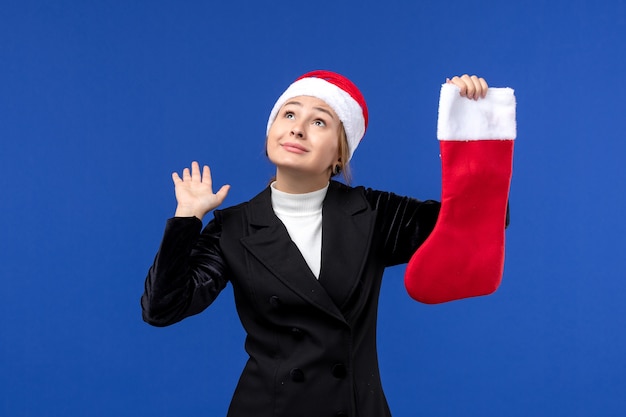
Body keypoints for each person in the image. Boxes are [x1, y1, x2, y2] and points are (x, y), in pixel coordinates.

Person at [141, 71, 490, 417]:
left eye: (319, 122)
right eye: (289, 114)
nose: (297, 128)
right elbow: (162, 309)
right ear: (270, 133)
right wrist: (186, 219)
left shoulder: (372, 213)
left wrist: (470, 128)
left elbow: (474, 220)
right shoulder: (232, 228)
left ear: (341, 154)